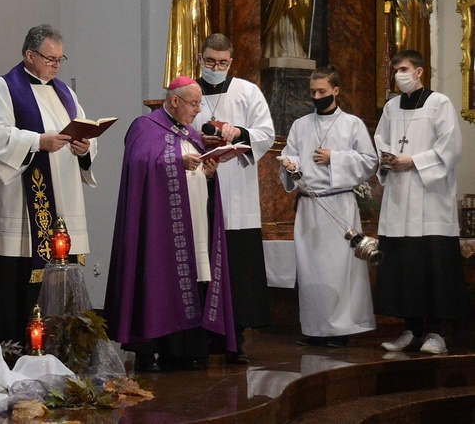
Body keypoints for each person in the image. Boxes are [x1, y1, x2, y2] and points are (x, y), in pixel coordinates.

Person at [0, 25, 97, 344]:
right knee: (18, 286)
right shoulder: (5, 88)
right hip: (21, 208)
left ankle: (59, 346)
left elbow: (81, 130)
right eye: (50, 58)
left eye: (60, 59)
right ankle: (14, 346)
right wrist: (37, 141)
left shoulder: (66, 93)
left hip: (63, 202)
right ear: (30, 55)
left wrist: (85, 148)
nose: (56, 65)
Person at [105, 76, 236, 372]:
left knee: (196, 275)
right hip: (158, 229)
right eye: (193, 103)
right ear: (174, 101)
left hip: (196, 224)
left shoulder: (192, 134)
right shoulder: (145, 126)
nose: (197, 111)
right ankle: (149, 348)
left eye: (199, 104)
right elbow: (140, 163)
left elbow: (201, 173)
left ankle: (186, 350)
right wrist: (176, 163)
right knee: (157, 277)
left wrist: (210, 171)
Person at [375, 50, 471, 355]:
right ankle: (411, 329)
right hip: (399, 198)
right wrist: (388, 160)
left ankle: (436, 333)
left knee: (433, 266)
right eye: (395, 70)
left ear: (418, 72)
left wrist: (413, 161)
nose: (398, 75)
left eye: (403, 69)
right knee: (404, 266)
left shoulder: (438, 103)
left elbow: (451, 147)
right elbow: (380, 141)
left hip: (430, 199)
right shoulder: (391, 107)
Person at [279, 66, 377, 347]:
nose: (316, 96)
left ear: (336, 91)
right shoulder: (301, 124)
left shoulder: (352, 124)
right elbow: (291, 155)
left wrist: (336, 157)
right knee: (311, 270)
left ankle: (341, 330)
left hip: (340, 202)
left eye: (322, 91)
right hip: (310, 206)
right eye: (312, 92)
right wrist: (290, 164)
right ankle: (314, 328)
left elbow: (369, 162)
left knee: (339, 268)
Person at [191, 33, 274, 364]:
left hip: (235, 190)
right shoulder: (188, 92)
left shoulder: (246, 91)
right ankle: (198, 336)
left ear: (231, 62)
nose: (216, 67)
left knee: (236, 267)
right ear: (201, 57)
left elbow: (266, 132)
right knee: (202, 261)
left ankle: (234, 339)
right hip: (199, 182)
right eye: (210, 61)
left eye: (222, 63)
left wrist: (238, 133)